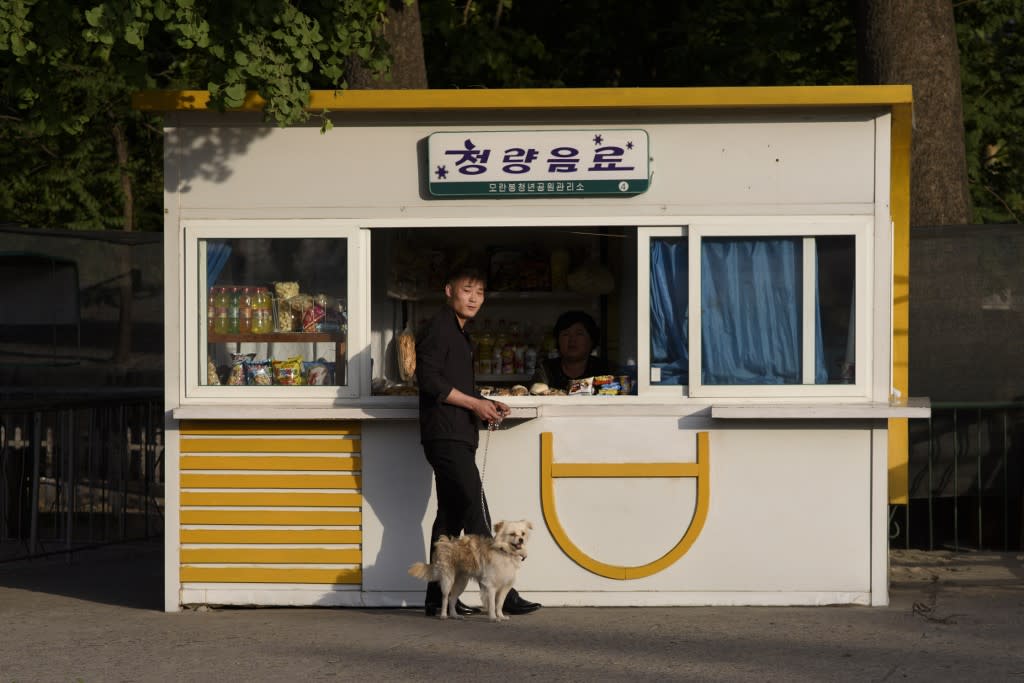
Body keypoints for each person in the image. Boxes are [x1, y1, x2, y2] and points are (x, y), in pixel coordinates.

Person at [415, 266, 542, 617]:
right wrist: (475, 404)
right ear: (448, 290)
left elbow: (451, 383)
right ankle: (505, 591)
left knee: (449, 517)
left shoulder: (458, 332)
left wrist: (485, 402)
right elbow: (428, 380)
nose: (474, 298)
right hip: (446, 434)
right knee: (476, 510)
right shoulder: (439, 329)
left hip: (455, 433)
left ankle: (435, 598)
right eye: (467, 290)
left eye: (480, 292)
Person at [532, 310, 614, 391]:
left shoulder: (606, 369)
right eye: (566, 334)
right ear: (558, 340)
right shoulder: (546, 370)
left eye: (579, 334)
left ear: (591, 340)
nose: (572, 340)